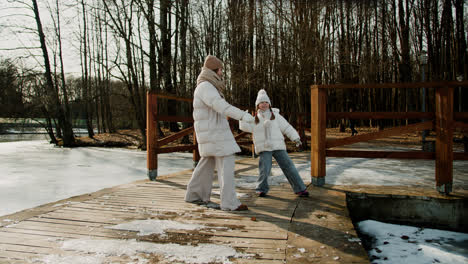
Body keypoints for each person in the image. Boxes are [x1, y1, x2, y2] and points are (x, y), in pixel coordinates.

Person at [185, 55, 255, 211]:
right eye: (221, 69)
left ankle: (194, 195)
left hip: (212, 133)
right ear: (214, 70)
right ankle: (229, 203)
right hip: (215, 134)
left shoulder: (208, 86)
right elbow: (221, 106)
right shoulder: (206, 87)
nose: (222, 72)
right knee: (227, 164)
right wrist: (242, 115)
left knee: (207, 163)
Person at [239, 89, 309, 197]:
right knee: (264, 169)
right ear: (257, 105)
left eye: (266, 102)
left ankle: (300, 188)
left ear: (269, 104)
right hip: (264, 148)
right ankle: (261, 188)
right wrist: (242, 118)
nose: (264, 104)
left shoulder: (276, 116)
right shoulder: (255, 119)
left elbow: (287, 127)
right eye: (261, 102)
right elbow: (246, 127)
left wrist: (295, 137)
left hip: (278, 146)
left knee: (289, 166)